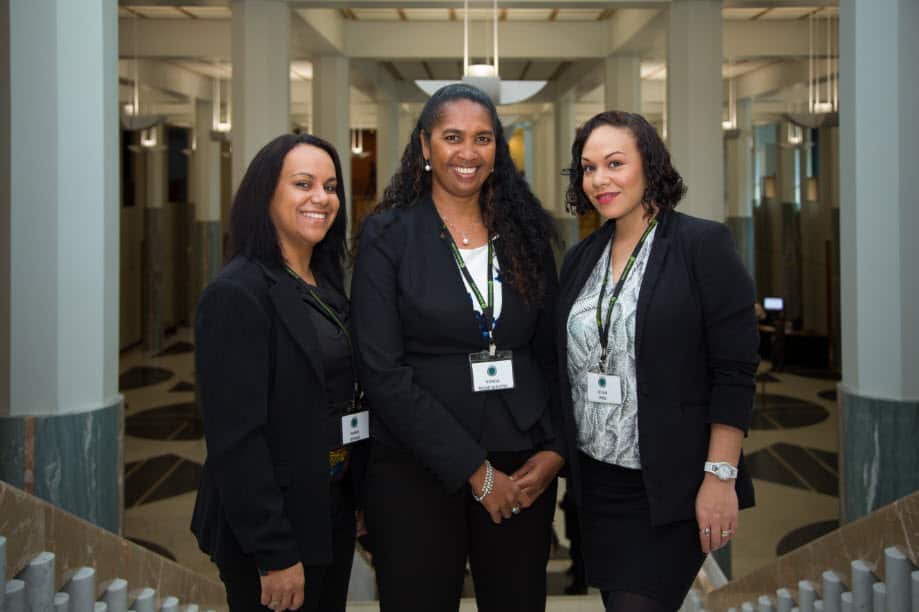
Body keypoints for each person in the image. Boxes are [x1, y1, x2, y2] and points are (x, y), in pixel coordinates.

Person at [351, 83, 564, 612]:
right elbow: (382, 371)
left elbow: (553, 353)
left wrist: (556, 448)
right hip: (416, 464)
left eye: (482, 138)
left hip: (520, 461)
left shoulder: (526, 233)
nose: (468, 152)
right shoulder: (387, 236)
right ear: (425, 146)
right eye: (452, 137)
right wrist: (476, 471)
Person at [556, 111, 758, 612]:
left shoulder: (701, 245)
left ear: (649, 164)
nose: (599, 180)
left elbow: (733, 370)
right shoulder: (582, 258)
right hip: (597, 485)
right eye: (588, 168)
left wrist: (720, 476)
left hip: (673, 486)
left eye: (614, 163)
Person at [190, 133, 366, 612]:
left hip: (328, 507)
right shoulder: (237, 293)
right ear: (265, 194)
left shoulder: (324, 281)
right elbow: (236, 440)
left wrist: (354, 495)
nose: (321, 198)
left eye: (331, 187)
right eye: (303, 184)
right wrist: (273, 552)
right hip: (275, 530)